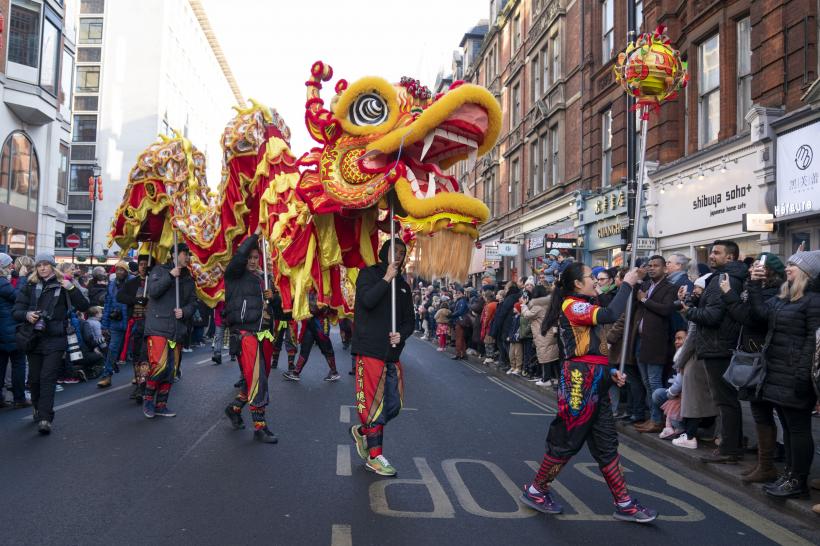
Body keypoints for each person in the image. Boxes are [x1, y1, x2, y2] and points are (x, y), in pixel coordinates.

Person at [521, 262, 657, 523]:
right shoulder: (571, 305)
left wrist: (609, 373)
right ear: (577, 284)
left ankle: (624, 503)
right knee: (566, 440)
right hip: (578, 382)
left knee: (607, 445)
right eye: (590, 277)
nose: (595, 281)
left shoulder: (584, 304)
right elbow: (610, 313)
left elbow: (594, 349)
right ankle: (537, 490)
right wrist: (626, 283)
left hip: (596, 381)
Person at [746, 251, 820, 497]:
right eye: (787, 264)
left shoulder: (813, 301)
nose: (787, 268)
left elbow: (813, 341)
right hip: (777, 373)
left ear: (807, 273)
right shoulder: (784, 298)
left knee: (798, 429)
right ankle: (790, 475)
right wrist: (754, 284)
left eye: (793, 265)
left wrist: (802, 375)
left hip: (794, 374)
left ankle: (798, 481)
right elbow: (759, 314)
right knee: (788, 428)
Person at [349, 238, 415, 476]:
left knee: (394, 405)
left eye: (402, 253)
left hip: (392, 355)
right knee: (373, 408)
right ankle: (375, 456)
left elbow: (410, 321)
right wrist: (386, 277)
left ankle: (363, 431)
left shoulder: (405, 287)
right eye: (394, 251)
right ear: (384, 253)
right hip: (370, 350)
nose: (397, 256)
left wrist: (402, 335)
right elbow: (367, 301)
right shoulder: (368, 275)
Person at [680, 240, 747, 464]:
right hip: (718, 346)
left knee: (725, 401)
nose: (711, 256)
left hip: (718, 347)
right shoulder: (722, 278)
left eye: (717, 253)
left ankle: (729, 448)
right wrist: (692, 302)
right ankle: (731, 445)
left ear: (730, 257)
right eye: (710, 252)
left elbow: (712, 317)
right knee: (726, 400)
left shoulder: (723, 280)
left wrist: (689, 311)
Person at [721, 252, 786, 481]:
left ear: (770, 271)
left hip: (763, 358)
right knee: (760, 413)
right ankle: (764, 463)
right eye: (753, 265)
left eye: (758, 266)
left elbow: (751, 318)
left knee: (770, 414)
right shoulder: (757, 288)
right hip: (754, 355)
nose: (752, 269)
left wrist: (730, 295)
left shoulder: (773, 291)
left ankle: (771, 466)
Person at [13, 254, 90, 434]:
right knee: (34, 379)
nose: (42, 268)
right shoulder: (29, 286)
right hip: (33, 338)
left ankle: (45, 418)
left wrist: (71, 287)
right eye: (39, 265)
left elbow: (84, 306)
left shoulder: (64, 285)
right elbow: (16, 310)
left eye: (46, 265)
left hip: (55, 338)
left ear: (52, 267)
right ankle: (37, 407)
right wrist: (27, 315)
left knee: (48, 378)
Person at [222, 228, 278, 443]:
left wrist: (273, 298)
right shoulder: (234, 274)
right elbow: (238, 257)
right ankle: (259, 426)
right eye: (250, 257)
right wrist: (255, 235)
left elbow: (279, 311)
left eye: (256, 257)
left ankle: (234, 408)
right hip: (245, 334)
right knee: (256, 378)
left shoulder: (263, 279)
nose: (253, 261)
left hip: (264, 334)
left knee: (258, 377)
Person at [141, 242, 197, 419]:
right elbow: (153, 291)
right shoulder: (159, 270)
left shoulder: (189, 277)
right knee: (159, 365)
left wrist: (186, 311)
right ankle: (148, 400)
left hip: (177, 329)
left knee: (171, 370)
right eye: (184, 254)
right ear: (174, 255)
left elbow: (194, 302)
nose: (187, 257)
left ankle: (161, 404)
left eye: (189, 254)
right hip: (159, 326)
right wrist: (170, 276)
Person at [632, 255, 678, 434]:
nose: (651, 268)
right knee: (646, 382)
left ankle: (658, 420)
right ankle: (653, 417)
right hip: (641, 341)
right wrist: (638, 280)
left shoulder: (670, 288)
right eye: (649, 265)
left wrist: (645, 300)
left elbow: (666, 309)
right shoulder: (646, 285)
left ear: (665, 269)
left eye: (656, 266)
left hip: (657, 342)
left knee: (654, 382)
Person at [283, 289, 340, 382]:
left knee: (326, 347)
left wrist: (304, 306)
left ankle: (334, 372)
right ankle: (296, 372)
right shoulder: (307, 286)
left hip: (320, 323)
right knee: (305, 347)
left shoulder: (323, 286)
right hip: (309, 323)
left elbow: (318, 307)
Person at [117, 255, 151, 401]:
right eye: (141, 264)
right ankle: (139, 384)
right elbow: (120, 297)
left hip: (152, 324)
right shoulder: (132, 283)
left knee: (145, 356)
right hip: (136, 324)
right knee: (137, 356)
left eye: (145, 264)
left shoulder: (154, 282)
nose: (143, 266)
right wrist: (134, 300)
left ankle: (144, 386)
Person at [97, 261, 133, 388]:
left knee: (135, 350)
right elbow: (107, 305)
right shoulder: (112, 285)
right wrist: (104, 325)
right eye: (117, 270)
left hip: (131, 322)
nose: (119, 272)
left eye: (122, 270)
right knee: (112, 349)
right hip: (116, 322)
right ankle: (107, 376)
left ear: (126, 271)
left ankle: (139, 375)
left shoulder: (134, 282)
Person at [0, 253, 28, 409]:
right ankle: (19, 398)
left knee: (1, 364)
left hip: (2, 329)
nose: (12, 266)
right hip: (9, 329)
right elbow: (18, 297)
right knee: (18, 363)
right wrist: (23, 278)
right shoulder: (2, 283)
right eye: (9, 264)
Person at [450, 289, 470, 360]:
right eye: (456, 293)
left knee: (458, 338)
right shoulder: (461, 301)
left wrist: (451, 315)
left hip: (460, 321)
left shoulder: (462, 301)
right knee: (462, 338)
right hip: (460, 321)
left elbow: (460, 311)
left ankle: (458, 354)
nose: (457, 294)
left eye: (458, 293)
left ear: (462, 294)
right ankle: (463, 354)